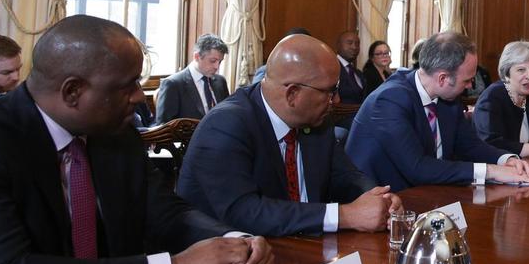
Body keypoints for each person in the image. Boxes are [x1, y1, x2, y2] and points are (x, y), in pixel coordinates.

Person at [0, 15, 272, 264]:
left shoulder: (116, 134)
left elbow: (165, 213)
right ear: (72, 91)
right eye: (128, 85)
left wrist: (233, 241)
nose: (139, 96)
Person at [177, 34, 400, 237]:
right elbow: (245, 212)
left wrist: (378, 198)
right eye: (330, 91)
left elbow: (344, 175)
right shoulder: (226, 125)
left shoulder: (316, 119)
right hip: (240, 256)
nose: (337, 100)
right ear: (293, 94)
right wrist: (344, 216)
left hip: (307, 247)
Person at [345, 32, 529, 191]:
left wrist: (506, 159)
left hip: (430, 192)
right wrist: (491, 171)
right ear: (442, 78)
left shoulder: (447, 95)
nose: (470, 86)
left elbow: (469, 145)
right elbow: (417, 168)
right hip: (384, 200)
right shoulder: (390, 100)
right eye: (467, 80)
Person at [155, 34, 230, 123]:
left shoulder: (220, 81)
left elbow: (227, 114)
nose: (217, 67)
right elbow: (164, 126)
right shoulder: (173, 84)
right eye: (213, 61)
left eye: (220, 62)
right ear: (197, 57)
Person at [335, 30, 365, 105]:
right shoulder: (331, 67)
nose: (354, 47)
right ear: (338, 45)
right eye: (349, 43)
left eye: (357, 44)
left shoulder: (358, 73)